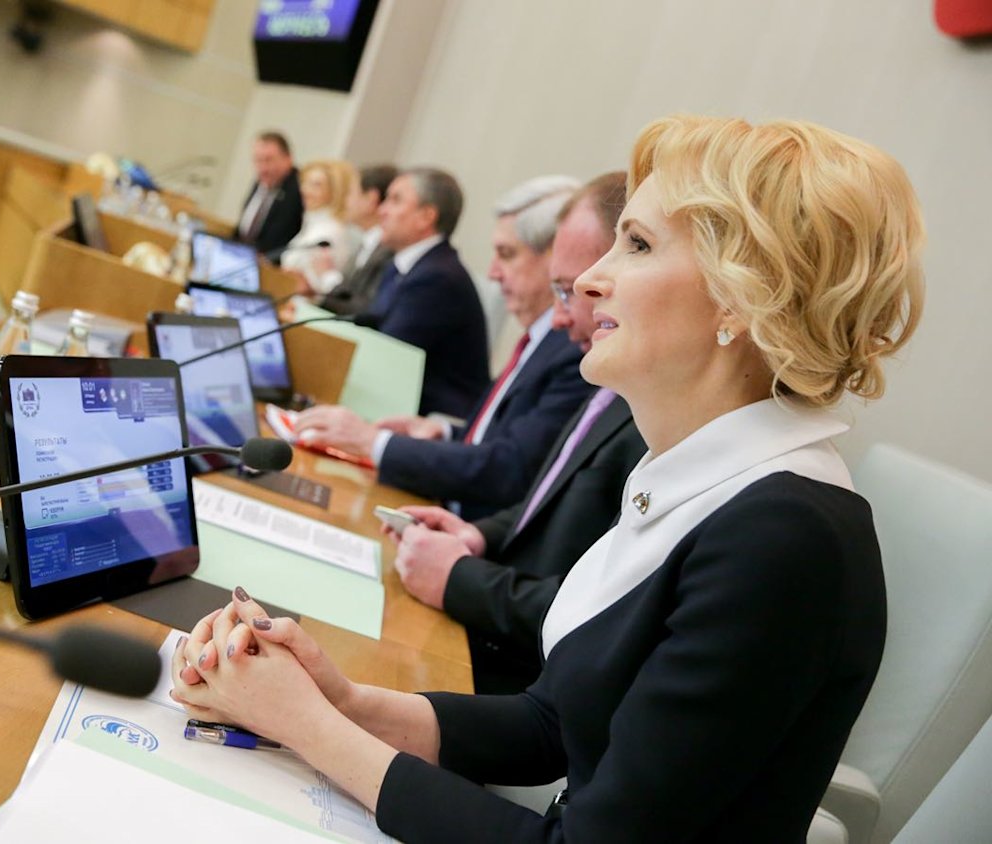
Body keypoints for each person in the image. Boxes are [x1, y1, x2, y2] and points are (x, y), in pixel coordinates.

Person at [171, 114, 925, 840]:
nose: (590, 279)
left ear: (741, 295)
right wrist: (342, 700)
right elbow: (554, 724)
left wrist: (306, 726)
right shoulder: (706, 478)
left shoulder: (783, 541)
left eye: (636, 244)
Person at [391, 172, 648, 693]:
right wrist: (479, 535)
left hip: (522, 679)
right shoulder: (610, 387)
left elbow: (601, 612)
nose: (561, 316)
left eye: (567, 290)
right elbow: (545, 499)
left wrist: (459, 578)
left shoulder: (639, 406)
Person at [294, 175, 593, 521]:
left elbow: (510, 468)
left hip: (468, 523)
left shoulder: (573, 349)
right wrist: (445, 431)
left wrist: (373, 442)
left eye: (507, 254)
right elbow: (499, 437)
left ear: (555, 259)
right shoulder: (541, 338)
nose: (493, 273)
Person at [356, 167, 490, 418]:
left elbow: (385, 355)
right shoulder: (402, 266)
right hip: (400, 403)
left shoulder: (438, 278)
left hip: (435, 419)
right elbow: (371, 322)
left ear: (426, 217)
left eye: (395, 200)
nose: (382, 210)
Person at [319, 164, 399, 315]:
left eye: (350, 193)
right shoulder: (367, 242)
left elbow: (365, 309)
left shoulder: (389, 251)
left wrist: (329, 278)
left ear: (370, 199)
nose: (346, 201)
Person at [279, 160, 357, 295]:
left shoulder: (330, 232)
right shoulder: (312, 224)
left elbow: (322, 286)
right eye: (306, 183)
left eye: (316, 185)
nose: (305, 190)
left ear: (334, 191)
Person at [233, 131, 303, 257]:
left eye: (269, 160)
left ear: (288, 158)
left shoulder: (300, 189)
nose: (263, 168)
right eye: (258, 160)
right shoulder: (260, 182)